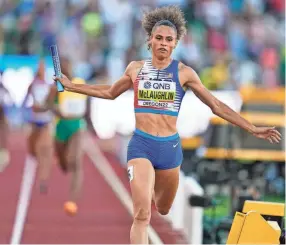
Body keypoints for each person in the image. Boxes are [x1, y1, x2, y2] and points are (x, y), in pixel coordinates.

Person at [53, 6, 282, 244]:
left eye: (169, 40)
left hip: (170, 149)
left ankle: (152, 184)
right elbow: (110, 92)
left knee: (162, 208)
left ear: (176, 44)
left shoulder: (184, 74)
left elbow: (216, 106)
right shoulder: (136, 69)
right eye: (159, 38)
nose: (163, 43)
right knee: (142, 215)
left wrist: (251, 127)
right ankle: (144, 182)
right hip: (141, 145)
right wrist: (71, 86)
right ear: (150, 41)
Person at [47, 57, 88, 215]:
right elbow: (49, 104)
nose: (66, 69)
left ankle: (72, 201)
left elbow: (86, 102)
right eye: (62, 68)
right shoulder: (57, 86)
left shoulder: (79, 82)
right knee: (65, 165)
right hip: (61, 127)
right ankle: (61, 159)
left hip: (77, 125)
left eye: (67, 66)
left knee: (76, 162)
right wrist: (53, 107)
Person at [25, 60, 54, 193]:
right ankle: (40, 174)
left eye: (43, 68)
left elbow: (50, 104)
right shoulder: (33, 85)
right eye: (39, 68)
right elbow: (27, 102)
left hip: (46, 122)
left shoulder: (50, 86)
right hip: (35, 123)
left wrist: (42, 108)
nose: (41, 70)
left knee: (45, 152)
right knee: (33, 151)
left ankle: (43, 179)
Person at [0, 72, 10, 172]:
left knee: (3, 132)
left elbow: (8, 96)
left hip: (2, 113)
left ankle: (3, 152)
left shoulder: (2, 87)